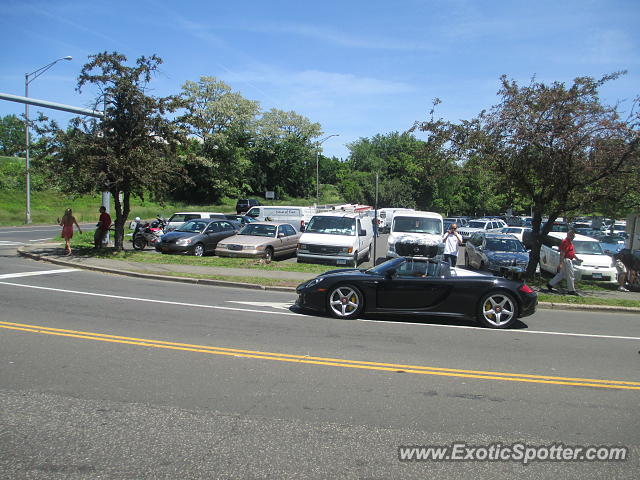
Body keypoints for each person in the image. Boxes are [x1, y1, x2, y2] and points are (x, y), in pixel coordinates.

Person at [547, 229, 582, 296]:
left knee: (561, 274)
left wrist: (577, 259)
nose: (573, 238)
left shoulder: (570, 243)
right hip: (566, 260)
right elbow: (562, 252)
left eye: (573, 236)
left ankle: (550, 284)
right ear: (568, 235)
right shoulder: (566, 242)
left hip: (567, 259)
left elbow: (571, 252)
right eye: (572, 236)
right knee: (570, 275)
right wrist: (561, 263)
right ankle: (571, 290)